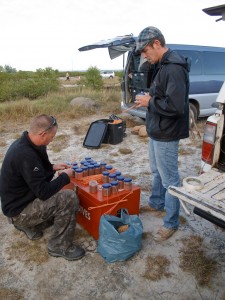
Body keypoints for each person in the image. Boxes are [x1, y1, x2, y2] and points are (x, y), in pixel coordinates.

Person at [0, 114, 85, 260]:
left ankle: (30, 226)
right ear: (42, 134)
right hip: (19, 211)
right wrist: (65, 176)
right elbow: (44, 192)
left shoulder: (30, 143)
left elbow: (36, 172)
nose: (52, 141)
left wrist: (53, 167)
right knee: (68, 197)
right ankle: (59, 246)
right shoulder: (24, 154)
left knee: (57, 200)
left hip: (20, 201)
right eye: (52, 137)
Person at [135, 26, 190, 241]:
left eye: (146, 51)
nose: (145, 56)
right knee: (157, 172)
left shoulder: (174, 67)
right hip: (157, 129)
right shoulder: (161, 64)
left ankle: (171, 222)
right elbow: (162, 95)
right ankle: (156, 203)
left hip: (167, 132)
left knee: (170, 181)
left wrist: (150, 101)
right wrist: (149, 97)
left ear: (156, 44)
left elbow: (176, 106)